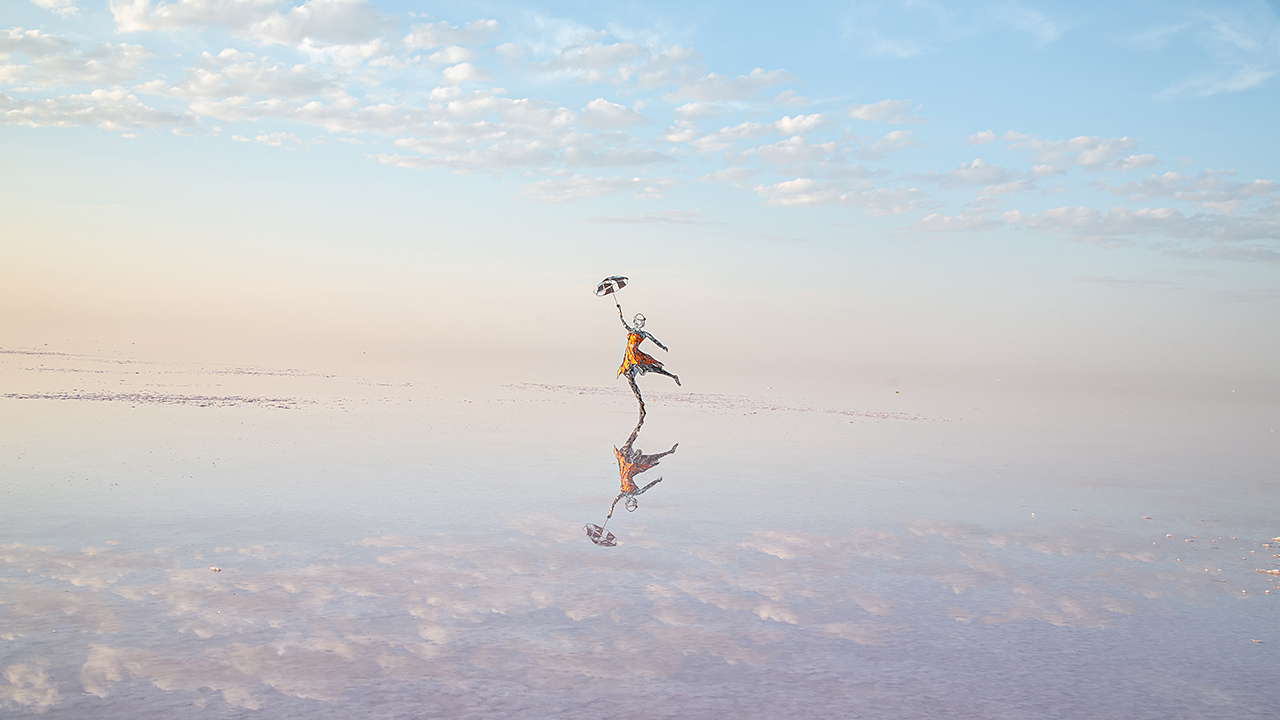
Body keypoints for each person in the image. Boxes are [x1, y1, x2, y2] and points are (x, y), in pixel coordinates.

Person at [617, 307, 680, 388]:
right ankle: (640, 400)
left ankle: (673, 376)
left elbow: (654, 340)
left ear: (642, 324)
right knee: (631, 378)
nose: (638, 324)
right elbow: (624, 323)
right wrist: (619, 311)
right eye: (637, 321)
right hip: (629, 356)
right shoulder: (632, 331)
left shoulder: (643, 334)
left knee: (654, 369)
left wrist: (663, 347)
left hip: (636, 356)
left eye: (640, 322)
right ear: (634, 322)